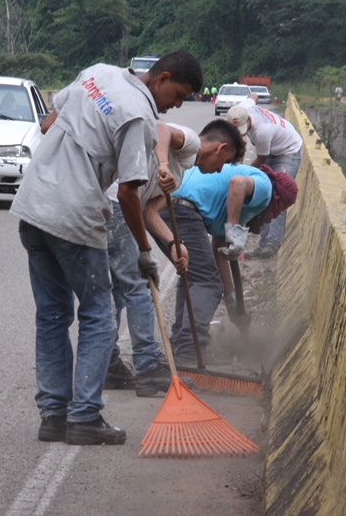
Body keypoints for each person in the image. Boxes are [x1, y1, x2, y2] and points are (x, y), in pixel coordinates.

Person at [12, 51, 202, 446]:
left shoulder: (97, 73)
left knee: (52, 314)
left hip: (33, 203)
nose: (178, 105)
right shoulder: (139, 117)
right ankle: (83, 417)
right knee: (98, 313)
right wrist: (145, 251)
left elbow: (49, 123)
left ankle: (53, 415)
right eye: (179, 94)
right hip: (73, 212)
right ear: (162, 78)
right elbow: (130, 193)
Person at [104, 119, 244, 395]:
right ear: (220, 148)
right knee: (140, 286)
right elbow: (160, 128)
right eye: (222, 162)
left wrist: (174, 243)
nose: (217, 170)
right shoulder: (190, 141)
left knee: (119, 290)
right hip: (115, 202)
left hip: (119, 205)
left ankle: (108, 363)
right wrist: (163, 164)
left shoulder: (183, 173)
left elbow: (150, 212)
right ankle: (147, 367)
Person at [144, 157, 277, 364]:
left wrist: (231, 300)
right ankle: (189, 346)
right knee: (207, 282)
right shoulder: (266, 187)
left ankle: (181, 343)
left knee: (193, 275)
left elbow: (218, 248)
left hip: (164, 208)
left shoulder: (233, 197)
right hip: (181, 209)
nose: (270, 219)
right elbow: (237, 184)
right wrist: (234, 230)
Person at [226, 101, 302, 259]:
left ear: (248, 120)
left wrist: (244, 173)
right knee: (264, 194)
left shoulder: (262, 131)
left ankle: (272, 243)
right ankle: (262, 245)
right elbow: (252, 97)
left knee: (277, 194)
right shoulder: (242, 107)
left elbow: (261, 158)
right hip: (271, 149)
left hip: (288, 150)